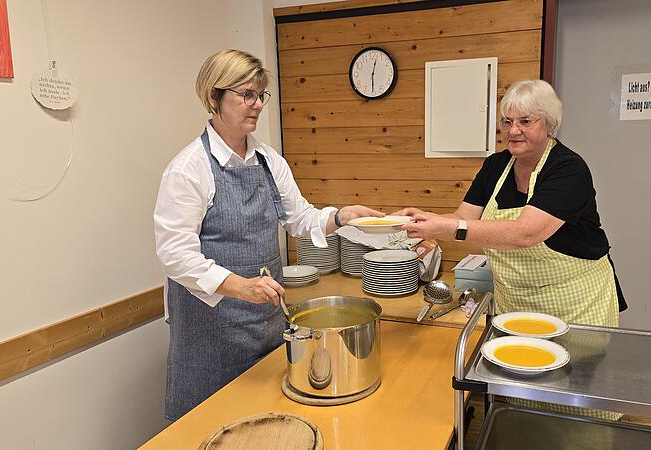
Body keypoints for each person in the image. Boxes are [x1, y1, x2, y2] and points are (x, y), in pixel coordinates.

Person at [153, 49, 381, 421]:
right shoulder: (188, 169)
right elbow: (175, 254)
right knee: (208, 426)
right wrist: (241, 288)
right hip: (209, 334)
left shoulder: (268, 160)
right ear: (214, 97)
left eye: (261, 95)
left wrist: (340, 217)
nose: (257, 104)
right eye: (246, 95)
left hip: (264, 324)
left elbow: (299, 218)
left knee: (264, 423)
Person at [397, 79, 626, 419]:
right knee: (525, 393)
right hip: (518, 302)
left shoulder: (568, 169)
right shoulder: (495, 166)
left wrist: (445, 228)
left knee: (577, 390)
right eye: (507, 122)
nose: (513, 130)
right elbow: (463, 218)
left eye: (525, 121)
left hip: (576, 301)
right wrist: (426, 221)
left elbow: (524, 233)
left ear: (548, 124)